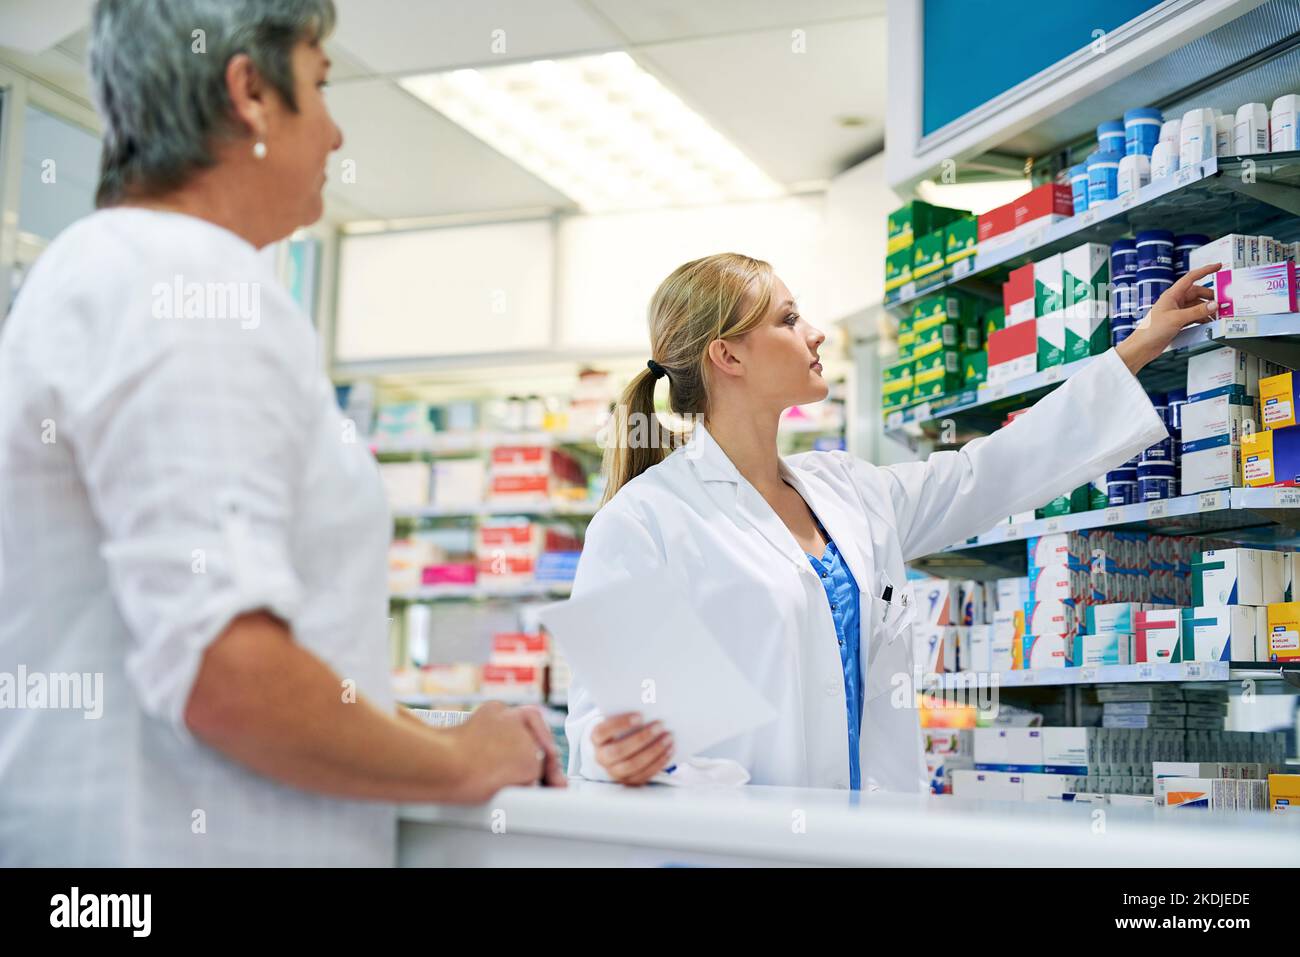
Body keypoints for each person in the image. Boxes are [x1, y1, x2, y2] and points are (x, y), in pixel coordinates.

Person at [0, 0, 562, 868]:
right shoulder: (185, 282)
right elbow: (229, 676)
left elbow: (283, 653)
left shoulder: (101, 270)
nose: (336, 135)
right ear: (251, 91)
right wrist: (458, 762)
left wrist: (436, 728)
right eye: (322, 83)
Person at [565, 252, 1221, 790]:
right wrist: (614, 753)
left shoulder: (847, 490)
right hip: (741, 847)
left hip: (871, 836)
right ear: (727, 357)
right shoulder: (646, 520)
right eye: (789, 319)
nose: (815, 333)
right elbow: (599, 721)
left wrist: (1138, 347)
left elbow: (985, 473)